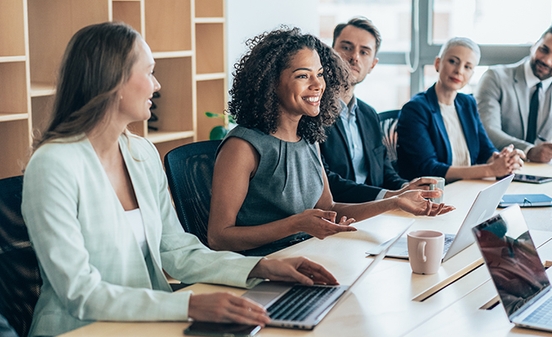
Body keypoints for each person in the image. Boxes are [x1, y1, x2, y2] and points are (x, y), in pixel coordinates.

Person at [21, 22, 339, 337]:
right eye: (149, 72)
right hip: (80, 329)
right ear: (113, 82)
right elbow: (79, 291)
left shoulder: (140, 153)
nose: (156, 85)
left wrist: (261, 268)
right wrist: (188, 306)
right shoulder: (53, 165)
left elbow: (178, 252)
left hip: (149, 322)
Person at [207, 27, 454, 256]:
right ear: (271, 82)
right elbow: (219, 238)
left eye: (320, 74)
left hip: (310, 254)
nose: (318, 85)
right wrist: (295, 224)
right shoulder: (242, 147)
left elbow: (330, 208)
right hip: (263, 267)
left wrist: (395, 201)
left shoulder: (308, 137)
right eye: (303, 76)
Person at [319, 17, 436, 203]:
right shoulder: (314, 111)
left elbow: (384, 168)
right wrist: (390, 197)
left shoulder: (369, 114)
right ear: (331, 52)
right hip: (336, 216)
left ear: (373, 64)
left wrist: (406, 188)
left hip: (375, 213)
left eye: (364, 52)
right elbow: (324, 181)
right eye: (346, 47)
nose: (354, 57)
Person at [396, 37, 524, 182]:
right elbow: (428, 169)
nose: (459, 71)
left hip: (467, 186)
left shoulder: (468, 103)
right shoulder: (416, 109)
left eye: (467, 67)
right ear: (438, 63)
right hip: (432, 195)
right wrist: (490, 169)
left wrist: (503, 160)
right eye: (453, 62)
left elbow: (485, 150)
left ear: (471, 75)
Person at [475, 20, 552, 164]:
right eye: (544, 50)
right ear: (535, 45)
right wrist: (529, 151)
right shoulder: (495, 78)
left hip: (541, 175)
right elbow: (488, 131)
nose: (547, 60)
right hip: (493, 172)